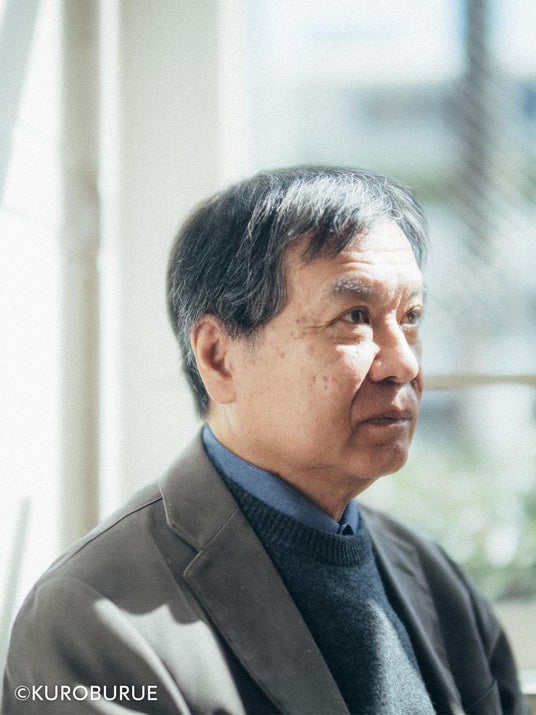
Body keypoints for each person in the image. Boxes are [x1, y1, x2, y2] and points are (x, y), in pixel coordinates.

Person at [3, 167, 528, 715]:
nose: (404, 363)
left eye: (411, 316)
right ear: (219, 357)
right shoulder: (91, 617)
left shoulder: (435, 581)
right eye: (355, 316)